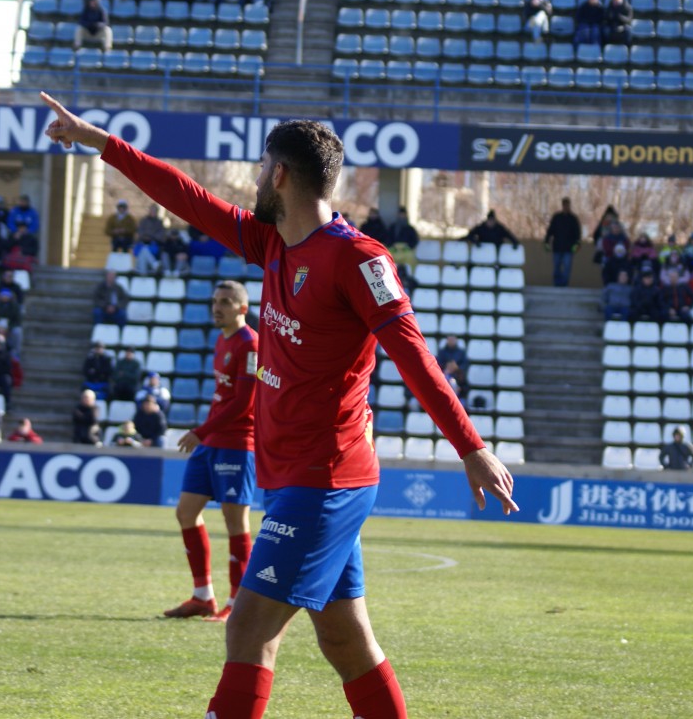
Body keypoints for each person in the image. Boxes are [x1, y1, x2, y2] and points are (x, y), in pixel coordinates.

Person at [40, 91, 516, 719]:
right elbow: (185, 195)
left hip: (326, 481)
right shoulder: (270, 244)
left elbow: (413, 355)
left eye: (262, 167)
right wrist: (101, 143)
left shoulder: (359, 259)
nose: (255, 178)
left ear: (282, 174)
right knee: (345, 641)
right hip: (296, 478)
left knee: (247, 630)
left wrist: (471, 446)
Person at [166, 280, 259, 622]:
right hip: (212, 441)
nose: (217, 307)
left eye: (225, 302)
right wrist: (205, 433)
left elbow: (244, 403)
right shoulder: (222, 340)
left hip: (236, 444)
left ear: (242, 308)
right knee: (185, 512)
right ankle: (202, 595)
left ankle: (239, 603)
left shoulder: (251, 345)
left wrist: (200, 431)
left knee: (235, 522)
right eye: (215, 301)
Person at [544, 197, 582, 287]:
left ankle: (564, 284)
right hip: (557, 247)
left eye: (567, 205)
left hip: (569, 248)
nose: (566, 207)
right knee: (556, 266)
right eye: (564, 205)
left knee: (567, 267)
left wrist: (577, 244)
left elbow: (577, 233)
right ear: (562, 205)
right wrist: (546, 242)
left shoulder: (573, 219)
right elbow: (550, 231)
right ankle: (557, 284)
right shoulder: (557, 217)